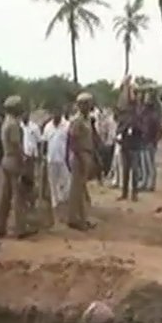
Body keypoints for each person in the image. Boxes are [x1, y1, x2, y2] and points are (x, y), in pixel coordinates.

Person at [0, 95, 35, 239]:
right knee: (19, 196)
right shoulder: (14, 125)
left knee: (4, 197)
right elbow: (16, 145)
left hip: (5, 159)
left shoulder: (6, 122)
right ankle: (20, 228)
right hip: (14, 160)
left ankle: (1, 227)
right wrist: (24, 162)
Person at [66, 92, 98, 230]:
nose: (90, 105)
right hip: (79, 156)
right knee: (76, 190)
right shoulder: (77, 120)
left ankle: (82, 218)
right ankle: (74, 219)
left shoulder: (87, 119)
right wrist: (81, 158)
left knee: (82, 189)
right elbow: (73, 141)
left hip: (86, 154)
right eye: (87, 103)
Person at [42, 106, 71, 212]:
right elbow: (44, 142)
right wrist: (44, 156)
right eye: (54, 113)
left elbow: (70, 142)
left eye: (58, 112)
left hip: (64, 159)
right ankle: (55, 202)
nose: (56, 115)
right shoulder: (48, 126)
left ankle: (64, 200)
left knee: (66, 181)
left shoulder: (67, 125)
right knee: (52, 181)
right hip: (51, 158)